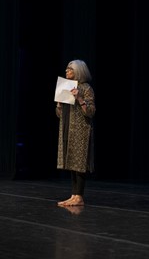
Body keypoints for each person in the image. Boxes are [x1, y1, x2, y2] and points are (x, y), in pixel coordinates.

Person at [55, 59, 96, 206]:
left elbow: (91, 112)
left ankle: (79, 196)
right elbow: (60, 115)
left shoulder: (86, 88)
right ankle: (74, 195)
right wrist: (59, 105)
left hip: (81, 130)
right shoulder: (66, 87)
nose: (67, 71)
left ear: (78, 71)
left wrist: (79, 98)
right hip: (67, 128)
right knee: (71, 161)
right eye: (66, 69)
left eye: (70, 69)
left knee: (79, 162)